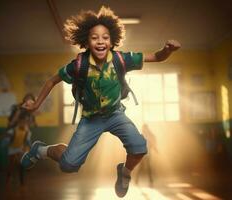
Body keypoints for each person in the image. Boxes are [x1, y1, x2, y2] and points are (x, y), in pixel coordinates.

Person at [20, 6, 180, 197]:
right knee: (68, 165)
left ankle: (125, 173)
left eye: (105, 37)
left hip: (115, 115)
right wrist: (36, 104)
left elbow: (156, 57)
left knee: (139, 147)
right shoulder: (79, 65)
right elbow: (52, 80)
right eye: (94, 37)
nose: (100, 41)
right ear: (87, 42)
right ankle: (41, 149)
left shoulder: (122, 59)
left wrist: (167, 50)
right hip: (91, 119)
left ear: (112, 40)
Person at [0, 93, 37, 186]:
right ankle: (9, 178)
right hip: (14, 136)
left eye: (31, 100)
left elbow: (33, 124)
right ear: (24, 100)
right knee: (11, 162)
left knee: (21, 161)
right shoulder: (17, 108)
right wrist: (18, 112)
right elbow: (10, 123)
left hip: (23, 137)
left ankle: (21, 180)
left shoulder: (30, 111)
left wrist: (31, 116)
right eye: (27, 100)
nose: (29, 101)